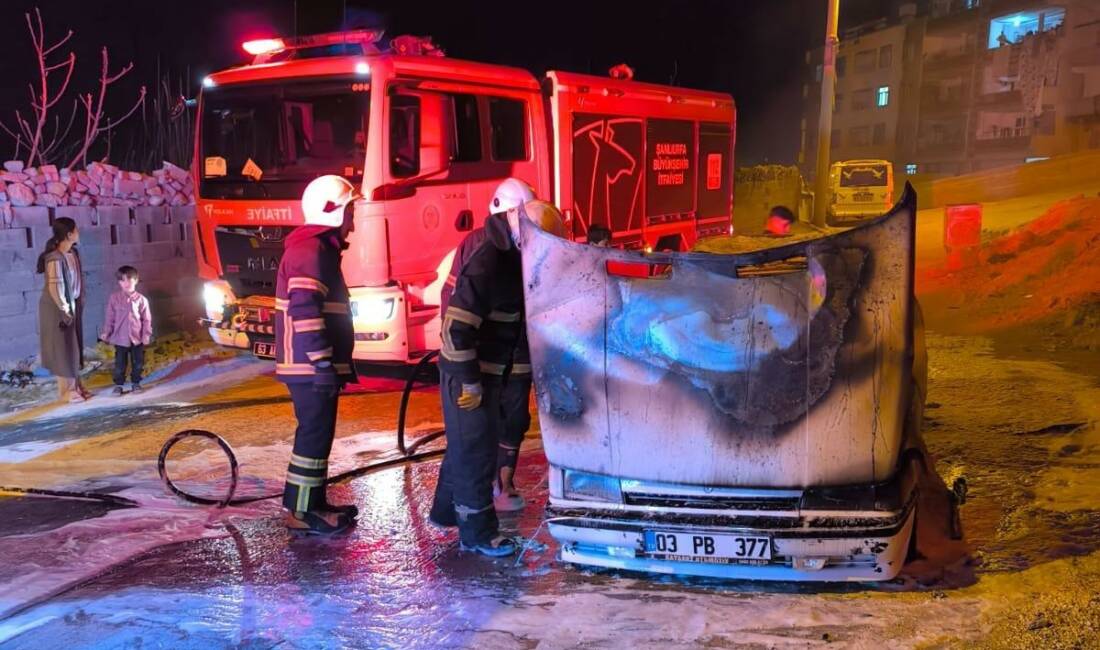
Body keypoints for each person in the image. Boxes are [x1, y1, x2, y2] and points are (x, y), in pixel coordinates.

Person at [430, 182, 564, 556]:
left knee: (465, 445)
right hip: (468, 374)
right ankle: (478, 533)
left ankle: (446, 513)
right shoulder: (490, 260)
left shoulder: (507, 256)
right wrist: (470, 382)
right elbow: (456, 327)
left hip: (486, 372)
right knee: (475, 451)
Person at [275, 175, 359, 535]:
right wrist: (323, 362)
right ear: (335, 213)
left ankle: (312, 504)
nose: (353, 221)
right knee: (312, 437)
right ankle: (303, 512)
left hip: (311, 366)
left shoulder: (317, 250)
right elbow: (306, 311)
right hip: (310, 367)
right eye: (350, 212)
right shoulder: (311, 252)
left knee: (317, 436)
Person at [37, 217, 90, 403]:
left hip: (72, 305)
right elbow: (55, 288)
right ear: (69, 234)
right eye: (76, 230)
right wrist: (65, 309)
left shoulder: (72, 254)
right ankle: (66, 391)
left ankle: (76, 386)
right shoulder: (54, 258)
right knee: (62, 348)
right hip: (58, 308)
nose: (78, 233)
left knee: (73, 346)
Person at [99, 266, 153, 395]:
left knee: (138, 362)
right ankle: (119, 385)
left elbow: (147, 320)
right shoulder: (114, 298)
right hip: (120, 338)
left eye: (130, 279)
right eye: (123, 280)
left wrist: (146, 335)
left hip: (137, 338)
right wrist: (107, 332)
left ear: (136, 280)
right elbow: (110, 318)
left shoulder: (142, 300)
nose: (126, 283)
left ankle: (136, 383)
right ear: (119, 282)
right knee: (120, 364)